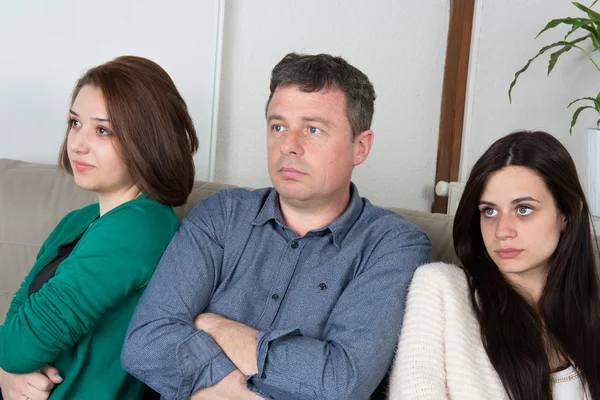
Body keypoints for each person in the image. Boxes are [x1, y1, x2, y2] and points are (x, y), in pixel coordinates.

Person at [121, 52, 432, 400]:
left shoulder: (393, 245)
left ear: (360, 147)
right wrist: (236, 389)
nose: (288, 145)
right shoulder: (220, 215)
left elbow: (342, 383)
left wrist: (215, 327)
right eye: (278, 126)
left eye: (312, 129)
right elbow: (145, 342)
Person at [0, 56, 199, 400]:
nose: (77, 143)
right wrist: (6, 368)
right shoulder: (76, 221)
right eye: (75, 123)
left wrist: (8, 363)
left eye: (103, 130)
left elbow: (18, 347)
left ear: (147, 141)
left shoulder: (141, 226)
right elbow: (19, 312)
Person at [389, 130, 600, 399]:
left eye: (523, 209)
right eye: (489, 211)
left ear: (567, 214)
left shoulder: (590, 315)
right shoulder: (440, 289)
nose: (502, 231)